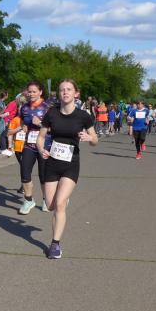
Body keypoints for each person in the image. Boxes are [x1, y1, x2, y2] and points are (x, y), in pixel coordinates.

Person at [37, 79, 98, 259]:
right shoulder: (52, 113)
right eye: (62, 89)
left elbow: (95, 140)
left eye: (69, 89)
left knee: (60, 204)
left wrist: (89, 138)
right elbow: (41, 137)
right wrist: (41, 149)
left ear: (76, 93)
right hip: (52, 163)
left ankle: (55, 244)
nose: (65, 92)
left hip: (71, 164)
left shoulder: (83, 116)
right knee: (50, 206)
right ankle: (62, 199)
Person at [18, 82, 49, 214]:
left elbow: (55, 128)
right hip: (29, 145)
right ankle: (28, 200)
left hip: (44, 146)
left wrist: (41, 124)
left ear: (40, 92)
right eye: (29, 91)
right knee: (24, 172)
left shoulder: (48, 107)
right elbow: (22, 121)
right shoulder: (24, 107)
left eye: (34, 91)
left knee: (43, 175)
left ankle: (46, 200)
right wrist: (24, 126)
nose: (31, 94)